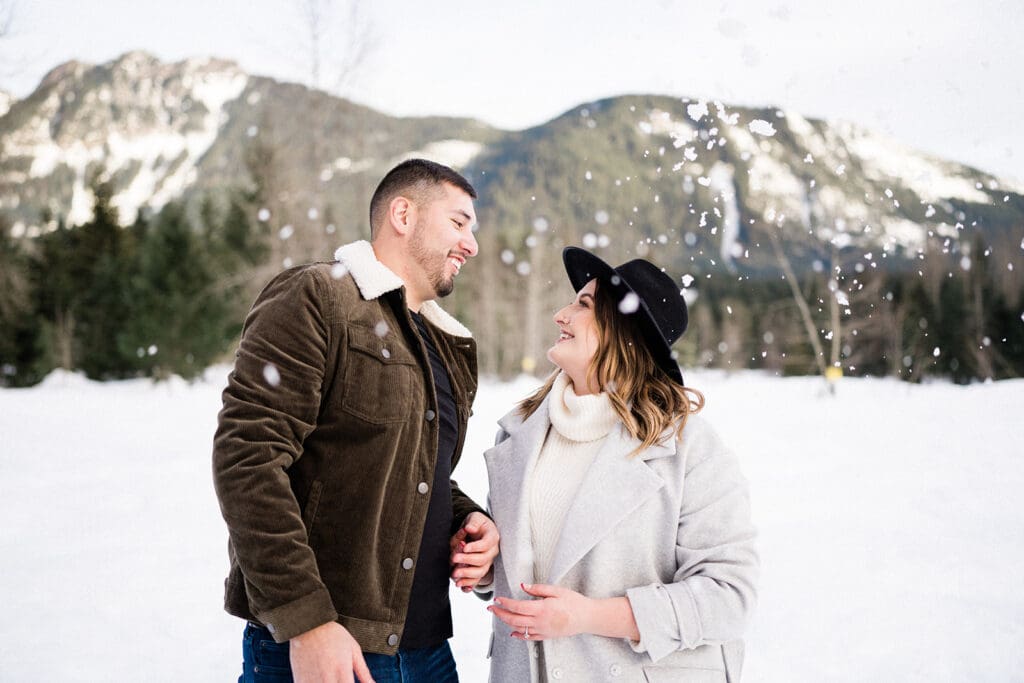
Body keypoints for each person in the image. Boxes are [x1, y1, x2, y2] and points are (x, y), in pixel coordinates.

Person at [212, 158, 499, 683]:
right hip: (329, 647)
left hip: (428, 652)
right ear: (403, 214)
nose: (471, 244)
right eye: (459, 222)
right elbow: (248, 457)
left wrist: (467, 521)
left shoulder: (447, 347)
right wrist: (307, 621)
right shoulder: (318, 297)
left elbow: (414, 473)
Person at [484, 247, 758, 682]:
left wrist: (590, 616)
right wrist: (483, 556)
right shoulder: (519, 434)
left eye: (583, 305)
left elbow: (728, 596)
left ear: (623, 332)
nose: (561, 314)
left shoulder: (688, 448)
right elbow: (522, 565)